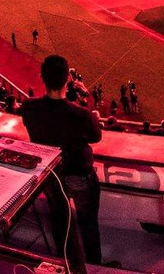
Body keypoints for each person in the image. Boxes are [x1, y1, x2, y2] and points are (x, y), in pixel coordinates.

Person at [19, 55, 103, 266]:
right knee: (88, 222)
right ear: (68, 80)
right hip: (79, 175)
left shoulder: (29, 108)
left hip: (52, 175)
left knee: (60, 220)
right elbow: (95, 136)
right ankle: (93, 266)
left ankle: (66, 262)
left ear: (42, 77)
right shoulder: (81, 114)